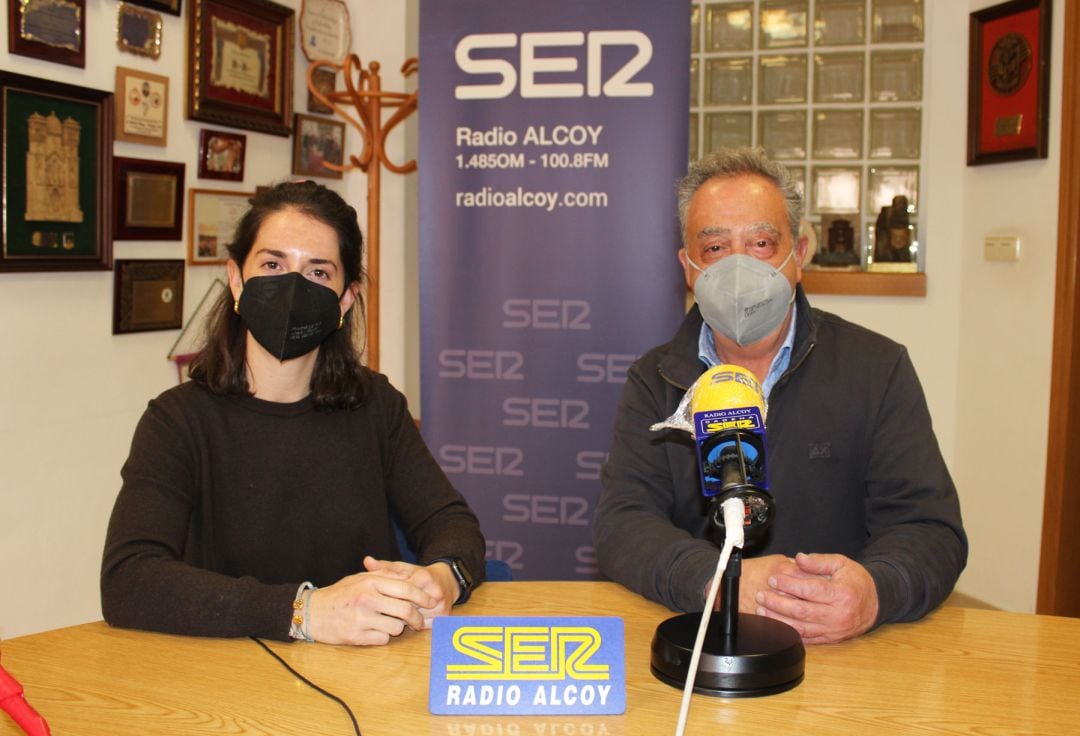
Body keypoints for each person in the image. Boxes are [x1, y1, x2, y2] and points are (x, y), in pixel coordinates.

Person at [592, 148, 966, 645]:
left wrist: (877, 591)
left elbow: (929, 528)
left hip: (844, 655)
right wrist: (720, 582)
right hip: (702, 640)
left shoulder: (876, 369)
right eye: (716, 249)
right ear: (688, 268)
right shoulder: (655, 379)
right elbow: (623, 523)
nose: (741, 267)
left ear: (801, 252)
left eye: (762, 243)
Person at [101, 180, 485, 646]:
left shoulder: (376, 405)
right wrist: (305, 612)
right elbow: (129, 579)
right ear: (237, 280)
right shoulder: (177, 421)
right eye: (272, 264)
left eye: (318, 273)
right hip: (226, 678)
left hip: (364, 672)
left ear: (346, 299)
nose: (291, 286)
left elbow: (452, 524)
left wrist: (443, 577)